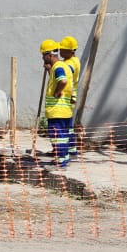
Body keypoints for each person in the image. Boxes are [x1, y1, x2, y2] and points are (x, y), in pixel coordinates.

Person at [41, 38, 76, 167]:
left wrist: (56, 93)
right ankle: (64, 158)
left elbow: (62, 81)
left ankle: (60, 161)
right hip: (65, 110)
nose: (42, 58)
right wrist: (49, 70)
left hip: (57, 111)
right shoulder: (63, 66)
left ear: (49, 55)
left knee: (57, 136)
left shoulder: (58, 68)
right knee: (63, 136)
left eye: (43, 55)